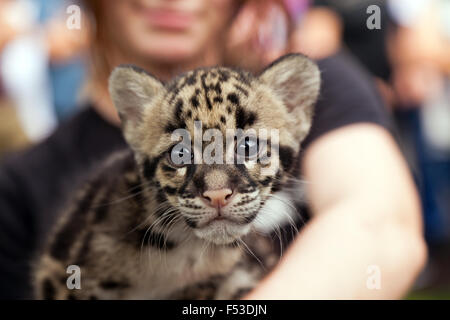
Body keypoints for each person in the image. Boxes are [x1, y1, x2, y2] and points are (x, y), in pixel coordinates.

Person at [0, 0, 426, 299]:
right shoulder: (21, 182)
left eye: (247, 148)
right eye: (180, 153)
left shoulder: (298, 88)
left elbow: (381, 228)